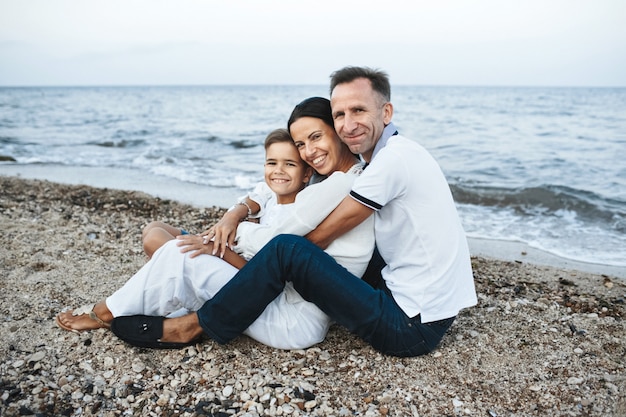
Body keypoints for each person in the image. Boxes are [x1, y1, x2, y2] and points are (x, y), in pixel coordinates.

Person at [111, 66, 477, 357]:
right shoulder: (391, 155)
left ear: (386, 111)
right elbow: (280, 189)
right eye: (340, 115)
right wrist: (240, 216)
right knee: (315, 250)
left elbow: (314, 239)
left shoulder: (387, 164)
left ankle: (192, 326)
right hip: (419, 302)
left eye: (359, 110)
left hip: (411, 328)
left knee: (289, 249)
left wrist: (245, 245)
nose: (348, 124)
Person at [56, 98, 375, 349]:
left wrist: (225, 237)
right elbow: (269, 190)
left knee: (180, 253)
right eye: (302, 144)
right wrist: (233, 215)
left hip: (291, 319)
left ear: (336, 130)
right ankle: (138, 307)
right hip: (276, 299)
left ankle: (105, 313)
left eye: (315, 138)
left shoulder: (338, 185)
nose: (309, 152)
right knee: (181, 253)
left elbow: (277, 245)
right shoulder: (333, 178)